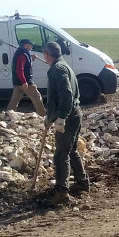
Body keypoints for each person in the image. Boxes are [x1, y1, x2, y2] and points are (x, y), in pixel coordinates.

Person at [43, 41, 89, 205]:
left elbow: (66, 94)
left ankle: (62, 192)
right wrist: (50, 117)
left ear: (47, 55)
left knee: (61, 154)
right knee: (72, 150)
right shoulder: (63, 65)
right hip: (74, 113)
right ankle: (82, 183)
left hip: (68, 116)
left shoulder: (58, 69)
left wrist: (61, 116)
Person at [6, 38, 46, 116]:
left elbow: (25, 65)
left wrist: (32, 59)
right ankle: (43, 115)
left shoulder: (22, 53)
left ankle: (8, 115)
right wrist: (24, 81)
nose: (31, 48)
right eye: (30, 46)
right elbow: (19, 69)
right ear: (26, 45)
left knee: (14, 101)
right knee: (36, 97)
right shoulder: (22, 55)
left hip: (17, 81)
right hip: (25, 81)